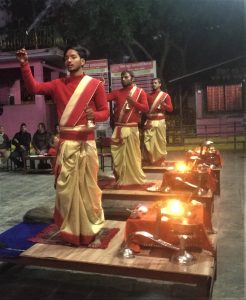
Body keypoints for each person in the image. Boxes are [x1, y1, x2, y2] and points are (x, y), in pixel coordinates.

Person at [16, 46, 109, 246]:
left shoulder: (94, 85)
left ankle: (89, 228)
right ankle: (71, 229)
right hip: (67, 146)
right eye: (66, 57)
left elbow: (105, 111)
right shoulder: (58, 84)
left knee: (88, 190)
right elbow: (34, 89)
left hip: (86, 145)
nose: (68, 60)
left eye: (73, 57)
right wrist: (24, 64)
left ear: (83, 61)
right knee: (65, 190)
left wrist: (95, 116)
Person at [107, 70, 149, 187]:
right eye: (122, 77)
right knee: (117, 157)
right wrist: (99, 86)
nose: (123, 79)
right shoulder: (117, 92)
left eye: (126, 77)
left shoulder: (140, 92)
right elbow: (105, 98)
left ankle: (133, 180)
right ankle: (120, 178)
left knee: (133, 156)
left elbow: (145, 108)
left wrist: (134, 103)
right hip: (118, 129)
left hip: (131, 129)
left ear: (132, 78)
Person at [142, 78, 173, 166]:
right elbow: (144, 108)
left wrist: (164, 105)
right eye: (152, 83)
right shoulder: (148, 96)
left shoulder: (165, 96)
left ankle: (160, 160)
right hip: (150, 122)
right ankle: (150, 159)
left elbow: (170, 109)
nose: (153, 84)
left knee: (160, 142)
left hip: (160, 122)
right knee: (147, 141)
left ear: (160, 84)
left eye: (155, 83)